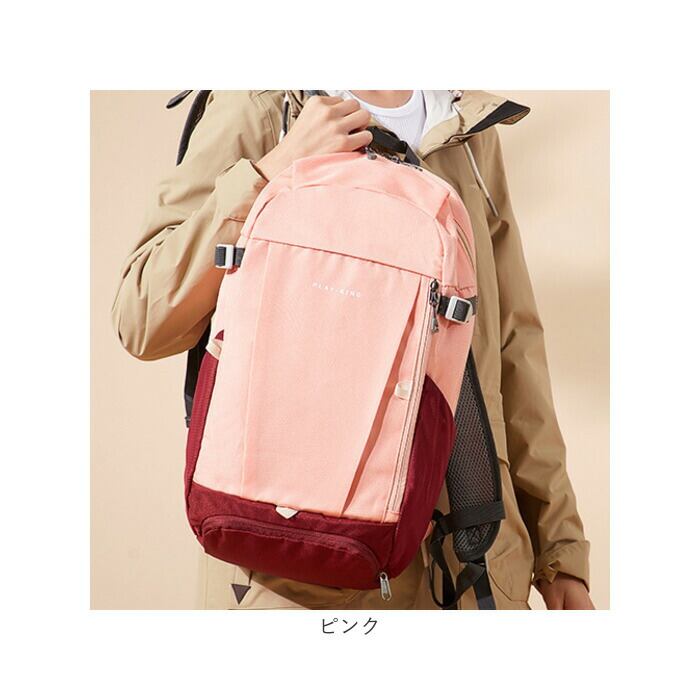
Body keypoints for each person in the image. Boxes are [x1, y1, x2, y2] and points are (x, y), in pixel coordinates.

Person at [112, 90, 594, 610]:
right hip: (298, 572)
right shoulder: (260, 105)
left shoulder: (466, 123)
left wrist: (559, 547)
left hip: (471, 565)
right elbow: (142, 316)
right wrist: (272, 169)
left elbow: (510, 343)